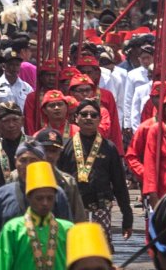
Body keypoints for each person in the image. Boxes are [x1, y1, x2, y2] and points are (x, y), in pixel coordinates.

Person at [55, 99, 132, 240]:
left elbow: (119, 183)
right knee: (73, 250)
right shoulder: (66, 147)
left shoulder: (109, 147)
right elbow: (58, 181)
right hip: (73, 208)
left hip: (101, 207)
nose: (88, 118)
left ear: (100, 119)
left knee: (101, 251)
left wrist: (127, 215)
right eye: (84, 114)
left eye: (93, 115)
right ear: (75, 118)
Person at [0, 161, 74, 270]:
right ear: (29, 197)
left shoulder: (68, 230)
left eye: (50, 198)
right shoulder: (13, 229)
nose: (45, 203)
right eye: (39, 198)